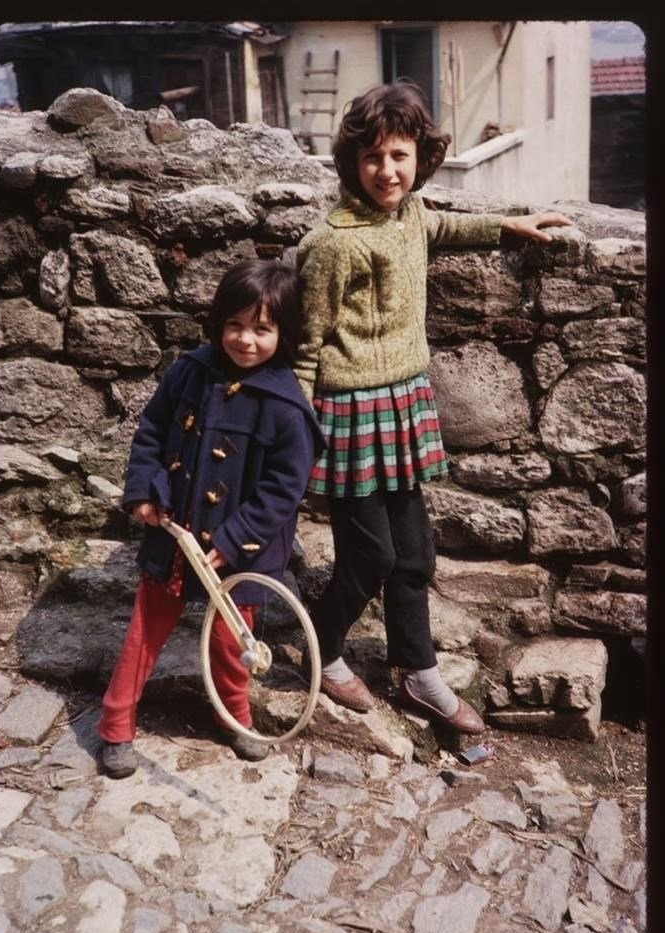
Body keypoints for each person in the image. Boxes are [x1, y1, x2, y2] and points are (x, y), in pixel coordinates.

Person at [294, 80, 571, 733]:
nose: (386, 171)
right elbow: (304, 347)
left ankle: (414, 675)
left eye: (398, 156)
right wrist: (295, 430)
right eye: (372, 158)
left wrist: (505, 225)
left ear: (419, 157)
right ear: (350, 162)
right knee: (371, 558)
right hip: (349, 415)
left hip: (403, 405)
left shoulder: (407, 214)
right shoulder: (332, 243)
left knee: (414, 555)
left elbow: (438, 224)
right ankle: (323, 649)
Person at [97, 259, 324, 777]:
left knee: (231, 641)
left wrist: (236, 535)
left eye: (262, 329)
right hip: (174, 535)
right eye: (235, 325)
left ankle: (234, 715)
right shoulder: (189, 373)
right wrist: (144, 494)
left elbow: (286, 487)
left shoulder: (287, 407)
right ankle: (115, 723)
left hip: (240, 553)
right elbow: (152, 431)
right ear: (219, 322)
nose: (246, 340)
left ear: (283, 333)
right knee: (144, 631)